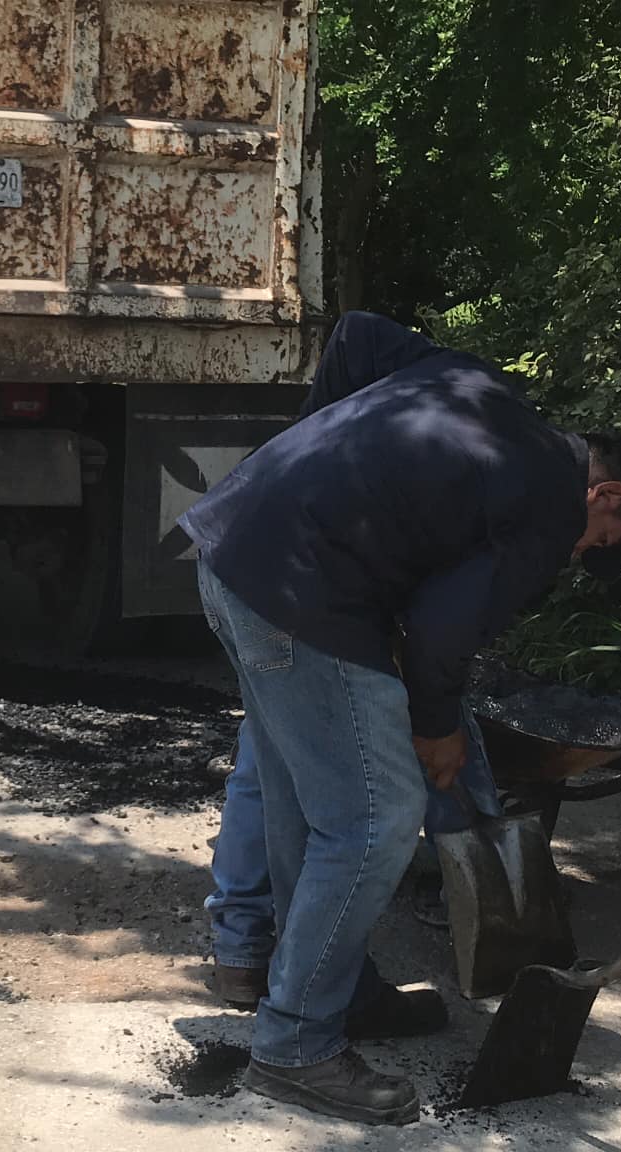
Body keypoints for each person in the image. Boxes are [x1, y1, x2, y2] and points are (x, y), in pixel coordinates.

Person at [181, 310, 621, 1125]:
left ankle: (335, 991)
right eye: (602, 539)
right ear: (605, 492)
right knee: (375, 820)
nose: (585, 553)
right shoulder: (552, 503)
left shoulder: (478, 387)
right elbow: (444, 629)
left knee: (312, 805)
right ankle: (296, 1045)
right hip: (301, 596)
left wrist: (307, 477)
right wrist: (438, 726)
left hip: (237, 551)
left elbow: (358, 335)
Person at [206, 313, 510, 1019]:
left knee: (271, 760)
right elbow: (357, 333)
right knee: (359, 807)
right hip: (305, 584)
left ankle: (250, 953)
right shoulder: (472, 407)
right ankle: (281, 985)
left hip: (290, 570)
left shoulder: (434, 410)